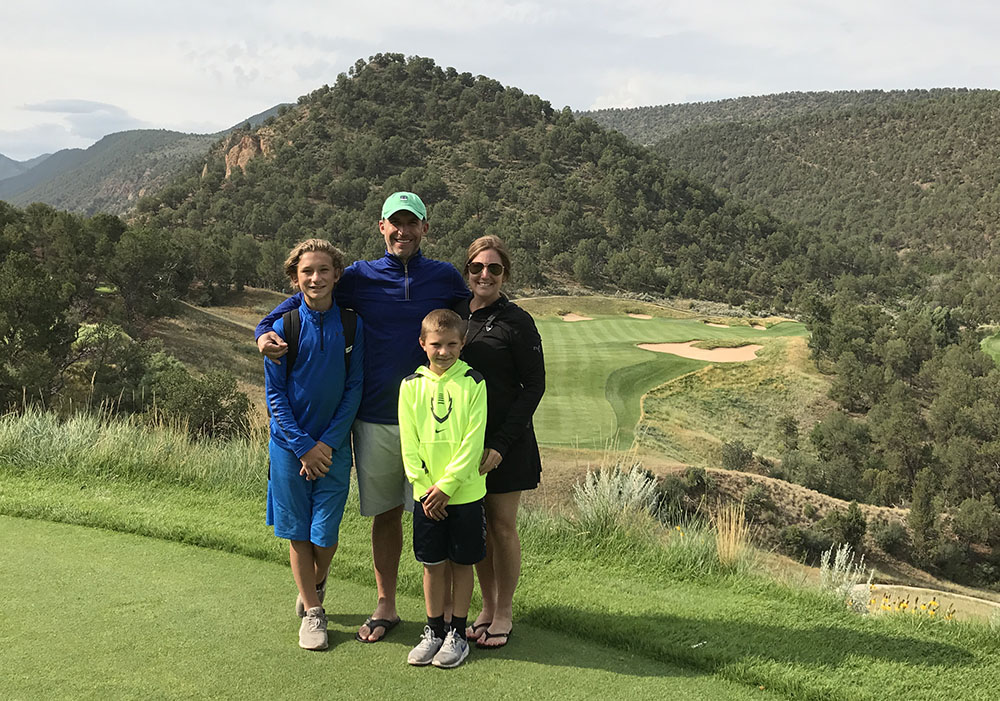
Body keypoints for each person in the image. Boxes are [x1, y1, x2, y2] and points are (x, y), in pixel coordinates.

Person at [256, 192, 469, 643]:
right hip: (374, 416)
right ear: (381, 227)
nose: (403, 231)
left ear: (425, 229)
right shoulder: (358, 276)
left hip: (434, 418)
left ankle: (449, 617)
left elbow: (476, 319)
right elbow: (298, 303)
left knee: (441, 511)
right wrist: (262, 333)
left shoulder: (446, 277)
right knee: (387, 514)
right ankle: (387, 605)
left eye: (412, 224)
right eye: (395, 223)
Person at [264, 238, 364, 651]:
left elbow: (354, 388)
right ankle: (313, 611)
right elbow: (274, 397)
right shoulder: (282, 328)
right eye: (307, 271)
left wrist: (326, 444)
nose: (316, 277)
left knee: (325, 533)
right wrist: (304, 446)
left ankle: (315, 582)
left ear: (336, 275)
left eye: (324, 270)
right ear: (294, 278)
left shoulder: (353, 324)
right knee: (297, 533)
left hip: (334, 447)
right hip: (289, 448)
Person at [457, 235, 545, 650]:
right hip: (464, 441)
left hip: (505, 443)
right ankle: (487, 606)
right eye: (477, 268)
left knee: (503, 527)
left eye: (494, 268)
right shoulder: (457, 313)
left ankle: (504, 611)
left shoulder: (518, 321)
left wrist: (502, 444)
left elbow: (534, 387)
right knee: (479, 528)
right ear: (468, 271)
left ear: (505, 274)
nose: (485, 275)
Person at [398, 309, 487, 669]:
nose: (444, 351)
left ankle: (457, 634)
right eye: (436, 344)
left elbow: (472, 442)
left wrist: (447, 486)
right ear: (423, 344)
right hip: (426, 497)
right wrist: (423, 488)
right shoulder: (410, 386)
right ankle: (434, 630)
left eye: (452, 344)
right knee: (433, 564)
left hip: (463, 494)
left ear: (462, 343)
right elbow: (409, 443)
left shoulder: (474, 382)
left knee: (463, 563)